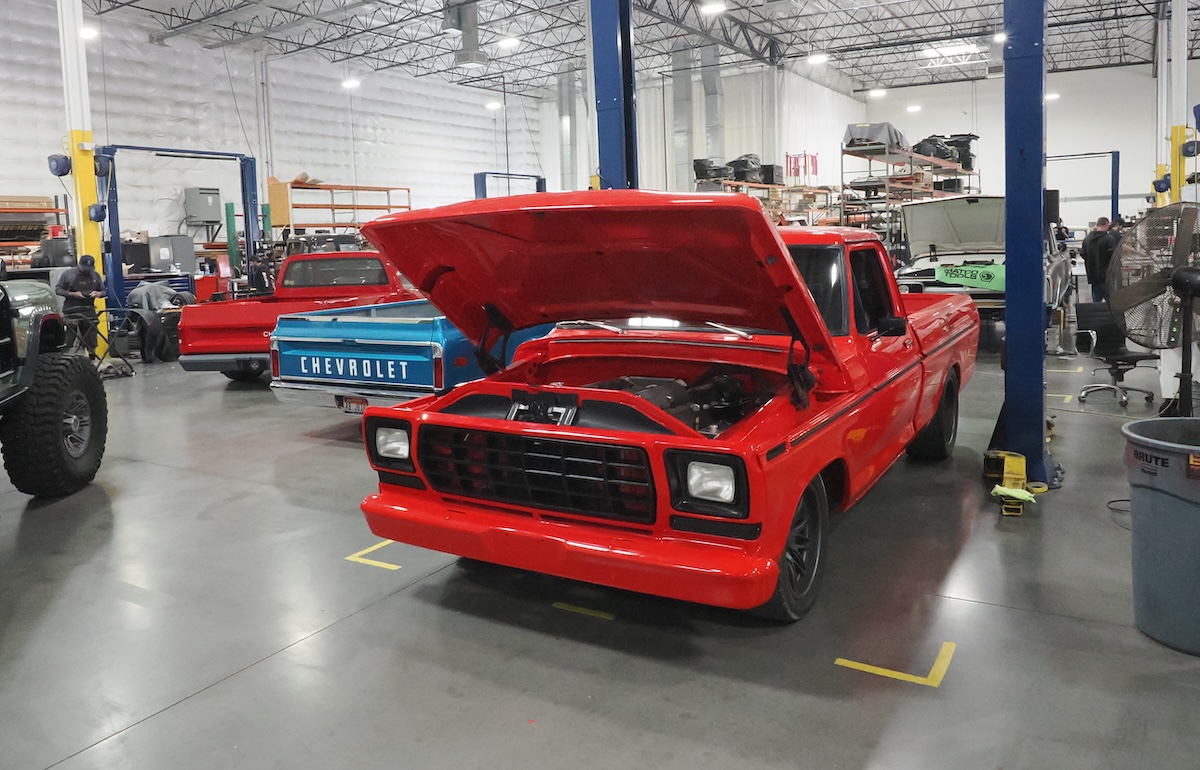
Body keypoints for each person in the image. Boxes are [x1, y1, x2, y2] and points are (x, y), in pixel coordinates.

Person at [55, 255, 106, 357]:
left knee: (91, 336)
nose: (87, 271)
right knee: (69, 337)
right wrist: (72, 294)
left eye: (89, 269)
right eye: (84, 268)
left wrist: (98, 294)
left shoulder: (95, 275)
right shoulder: (67, 274)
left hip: (89, 310)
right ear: (79, 264)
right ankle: (64, 358)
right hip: (71, 310)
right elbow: (58, 289)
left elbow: (104, 291)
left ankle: (91, 359)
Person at [1081, 217, 1117, 302]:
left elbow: (1083, 254)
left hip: (1093, 276)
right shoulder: (1109, 239)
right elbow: (1113, 256)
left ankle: (1097, 315)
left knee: (1096, 302)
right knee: (1112, 302)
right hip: (1106, 275)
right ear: (1106, 225)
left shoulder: (1087, 239)